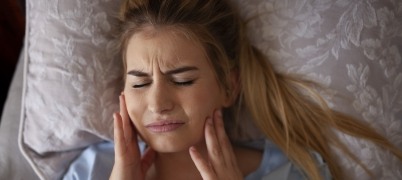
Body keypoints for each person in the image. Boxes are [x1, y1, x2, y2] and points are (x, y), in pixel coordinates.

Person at [108, 0, 402, 179]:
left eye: (183, 80)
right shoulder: (90, 169)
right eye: (140, 83)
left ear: (229, 86)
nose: (158, 102)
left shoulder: (293, 173)